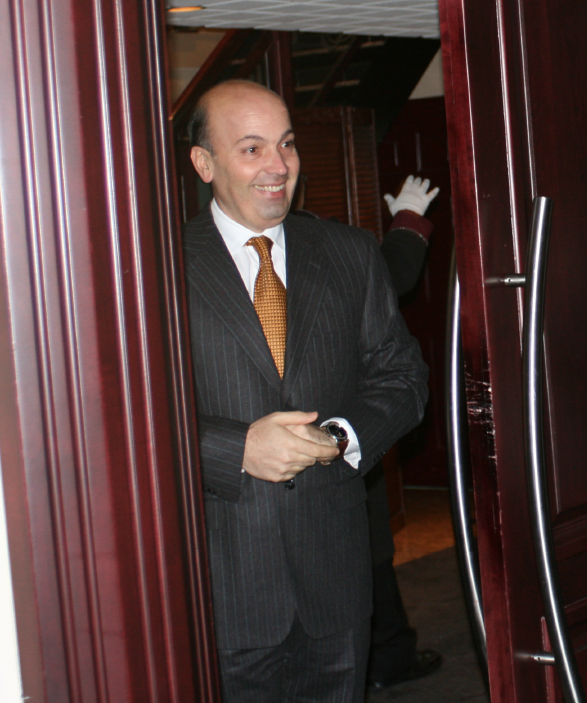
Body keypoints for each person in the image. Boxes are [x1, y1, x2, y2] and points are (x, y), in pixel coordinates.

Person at [183, 79, 428, 703]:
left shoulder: (349, 252)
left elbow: (403, 377)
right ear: (204, 163)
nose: (279, 165)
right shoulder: (158, 267)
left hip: (335, 586)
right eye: (252, 148)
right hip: (221, 592)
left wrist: (338, 438)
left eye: (286, 144)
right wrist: (236, 449)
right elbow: (124, 414)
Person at [366, 176, 445, 690]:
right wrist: (409, 221)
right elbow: (389, 277)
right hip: (337, 430)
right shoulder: (316, 240)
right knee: (369, 552)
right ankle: (388, 657)